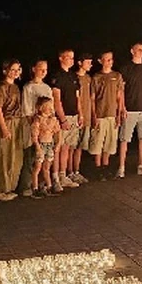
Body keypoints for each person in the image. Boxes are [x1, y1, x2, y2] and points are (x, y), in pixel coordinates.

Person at [89, 51, 124, 180]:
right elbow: (92, 98)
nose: (109, 62)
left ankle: (106, 167)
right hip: (100, 114)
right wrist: (94, 115)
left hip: (112, 114)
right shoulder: (96, 77)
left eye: (111, 59)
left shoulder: (117, 76)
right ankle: (98, 169)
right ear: (100, 61)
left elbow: (119, 96)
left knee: (110, 143)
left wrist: (119, 113)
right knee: (98, 142)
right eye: (106, 59)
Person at [119, 43, 142, 177]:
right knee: (124, 139)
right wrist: (122, 107)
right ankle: (121, 167)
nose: (141, 52)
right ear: (132, 51)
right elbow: (121, 90)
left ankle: (141, 165)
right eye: (138, 49)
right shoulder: (126, 68)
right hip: (130, 109)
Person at [48, 49, 81, 189]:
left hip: (74, 116)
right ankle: (55, 177)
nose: (71, 60)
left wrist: (81, 114)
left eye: (73, 57)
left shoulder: (73, 76)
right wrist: (62, 119)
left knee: (67, 146)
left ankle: (63, 175)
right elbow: (56, 100)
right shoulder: (57, 76)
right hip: (62, 117)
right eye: (68, 57)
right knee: (58, 147)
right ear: (61, 58)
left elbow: (78, 97)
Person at [21, 60, 53, 195]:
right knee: (32, 157)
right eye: (41, 69)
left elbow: (51, 106)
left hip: (45, 127)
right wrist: (36, 126)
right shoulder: (28, 87)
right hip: (34, 124)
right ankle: (28, 186)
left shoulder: (47, 88)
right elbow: (27, 109)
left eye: (45, 69)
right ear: (34, 69)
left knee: (44, 160)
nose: (43, 72)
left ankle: (43, 184)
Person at [0, 60, 23, 201]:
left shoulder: (16, 87)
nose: (16, 72)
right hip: (6, 121)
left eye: (18, 69)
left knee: (15, 156)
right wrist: (4, 128)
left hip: (17, 122)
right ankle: (1, 190)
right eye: (13, 69)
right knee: (4, 156)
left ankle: (11, 187)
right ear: (5, 71)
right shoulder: (1, 88)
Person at [30, 96, 60, 198]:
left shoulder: (53, 120)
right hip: (42, 144)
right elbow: (34, 135)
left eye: (51, 106)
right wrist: (37, 146)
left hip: (49, 144)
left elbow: (58, 132)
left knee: (47, 167)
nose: (50, 108)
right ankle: (35, 188)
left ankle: (49, 186)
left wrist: (58, 144)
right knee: (37, 167)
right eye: (47, 106)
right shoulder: (38, 120)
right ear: (41, 107)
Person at [71, 53, 93, 183]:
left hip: (87, 116)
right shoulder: (74, 78)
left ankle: (76, 171)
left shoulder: (89, 78)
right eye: (87, 62)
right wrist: (80, 114)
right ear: (80, 63)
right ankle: (68, 172)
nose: (90, 64)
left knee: (80, 146)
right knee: (71, 146)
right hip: (77, 116)